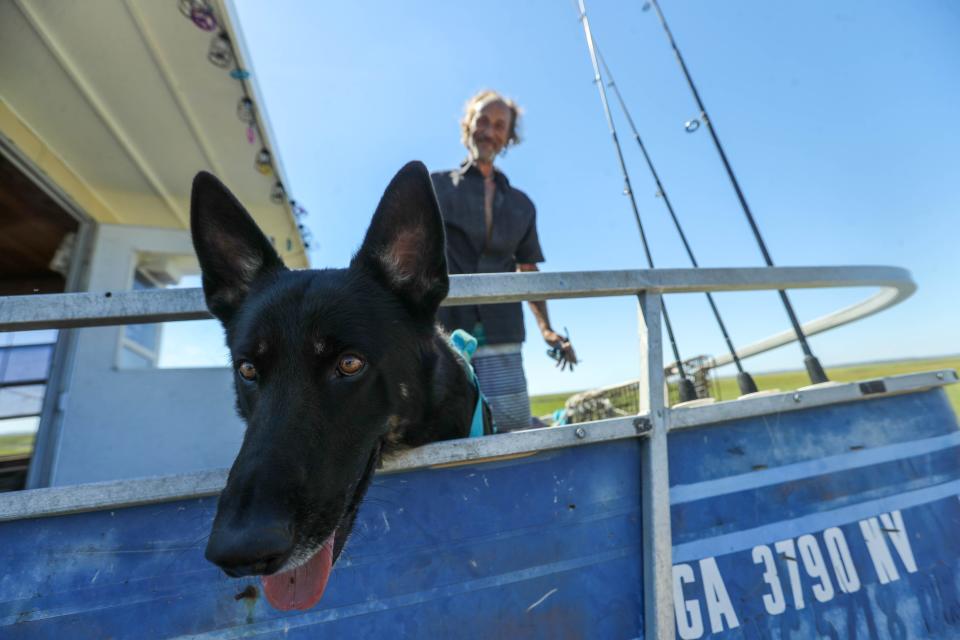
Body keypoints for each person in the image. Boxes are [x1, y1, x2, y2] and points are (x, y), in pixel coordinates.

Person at [431, 89, 577, 433]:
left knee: (508, 425)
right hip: (444, 331)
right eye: (482, 119)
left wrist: (547, 329)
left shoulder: (522, 205)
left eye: (499, 125)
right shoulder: (434, 187)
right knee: (446, 431)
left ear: (508, 137)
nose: (488, 130)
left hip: (503, 330)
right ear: (468, 125)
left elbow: (528, 269)